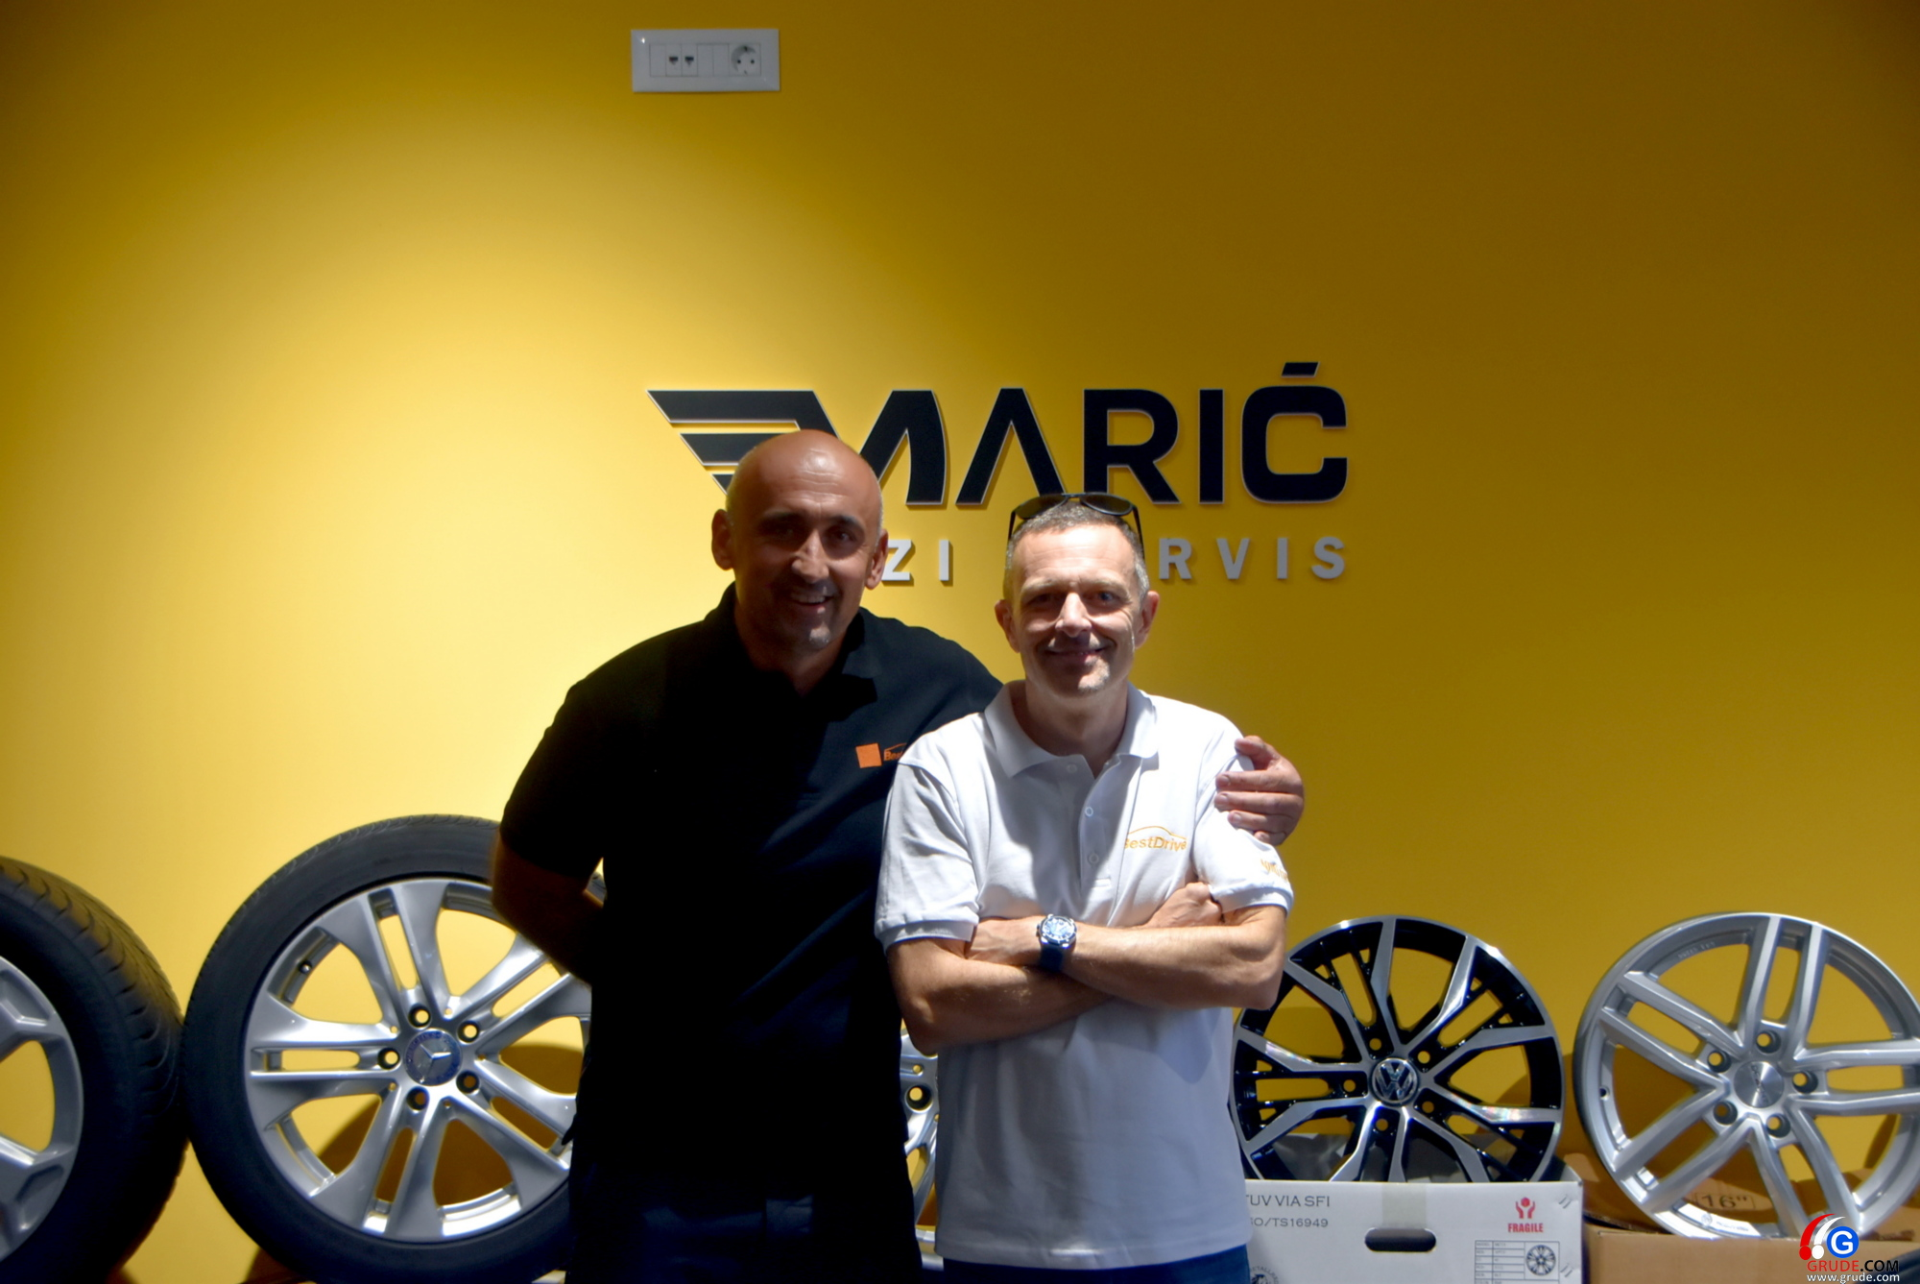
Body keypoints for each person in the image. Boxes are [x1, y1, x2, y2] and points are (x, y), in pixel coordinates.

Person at [490, 431, 1304, 1282]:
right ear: (726, 541)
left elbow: (1070, 721)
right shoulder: (625, 703)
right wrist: (662, 991)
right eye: (781, 529)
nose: (811, 563)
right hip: (656, 1168)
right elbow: (526, 882)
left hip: (850, 1168)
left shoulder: (936, 690)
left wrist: (1269, 799)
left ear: (877, 560)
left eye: (841, 537)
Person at [878, 494, 1293, 1283]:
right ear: (1007, 622)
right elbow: (934, 1007)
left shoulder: (1208, 747)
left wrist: (1045, 938)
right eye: (1044, 599)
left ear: (1146, 615)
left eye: (1103, 595)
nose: (1075, 621)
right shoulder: (941, 769)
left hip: (1187, 1227)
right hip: (1005, 1234)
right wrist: (1158, 945)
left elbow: (1253, 966)